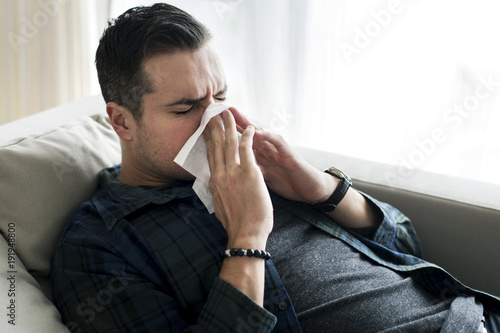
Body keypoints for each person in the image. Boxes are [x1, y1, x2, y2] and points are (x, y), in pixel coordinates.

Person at [51, 3, 500, 332]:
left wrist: (321, 190)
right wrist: (247, 237)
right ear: (122, 120)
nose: (217, 121)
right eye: (186, 107)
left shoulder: (262, 169)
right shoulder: (98, 247)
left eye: (221, 97)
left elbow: (406, 244)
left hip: (474, 316)